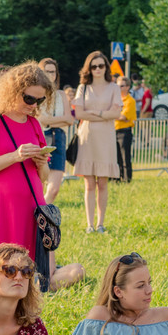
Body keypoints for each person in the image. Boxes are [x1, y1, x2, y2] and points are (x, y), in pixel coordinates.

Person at [0, 61, 84, 292]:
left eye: (39, 100)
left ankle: (32, 288)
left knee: (31, 263)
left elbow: (45, 176)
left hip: (32, 205)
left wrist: (41, 163)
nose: (34, 105)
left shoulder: (34, 124)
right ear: (13, 92)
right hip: (1, 205)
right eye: (29, 99)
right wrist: (16, 156)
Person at [72, 50, 121, 233]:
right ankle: (90, 224)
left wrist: (95, 114)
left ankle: (101, 223)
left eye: (101, 65)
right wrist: (104, 114)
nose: (98, 69)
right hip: (88, 136)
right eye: (94, 66)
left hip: (106, 137)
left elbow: (117, 113)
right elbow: (79, 113)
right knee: (89, 183)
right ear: (89, 68)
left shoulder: (114, 88)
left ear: (106, 67)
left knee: (103, 182)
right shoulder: (82, 87)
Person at [36, 57, 73, 205]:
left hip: (58, 137)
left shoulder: (61, 95)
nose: (50, 75)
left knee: (54, 189)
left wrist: (49, 119)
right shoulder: (36, 94)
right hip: (40, 137)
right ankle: (37, 218)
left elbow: (70, 120)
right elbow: (40, 120)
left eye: (53, 72)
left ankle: (42, 213)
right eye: (46, 71)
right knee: (38, 184)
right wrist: (59, 119)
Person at [115, 76, 136, 183]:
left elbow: (124, 117)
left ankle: (127, 179)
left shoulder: (130, 101)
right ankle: (116, 178)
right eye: (117, 86)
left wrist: (111, 115)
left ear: (127, 87)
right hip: (114, 130)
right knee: (115, 158)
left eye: (121, 86)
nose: (119, 88)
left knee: (125, 157)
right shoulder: (114, 99)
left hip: (124, 131)